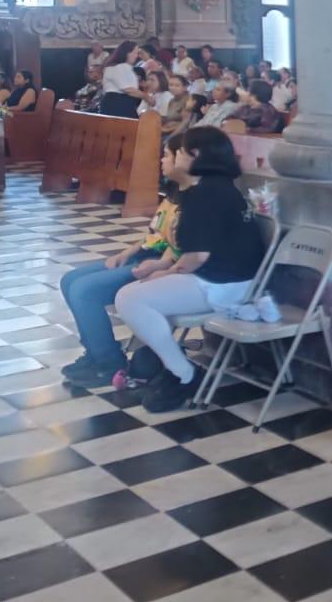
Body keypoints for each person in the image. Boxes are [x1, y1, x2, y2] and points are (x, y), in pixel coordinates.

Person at [113, 128, 269, 412]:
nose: (166, 159)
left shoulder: (206, 194)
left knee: (130, 299)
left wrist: (167, 273)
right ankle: (167, 366)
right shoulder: (214, 187)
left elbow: (197, 255)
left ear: (194, 155)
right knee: (133, 296)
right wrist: (165, 269)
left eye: (174, 153)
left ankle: (185, 375)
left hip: (224, 284)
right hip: (223, 278)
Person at [59, 134, 191, 386]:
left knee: (84, 291)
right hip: (148, 255)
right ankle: (94, 352)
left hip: (162, 264)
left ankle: (108, 362)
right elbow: (155, 233)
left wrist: (160, 265)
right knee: (69, 279)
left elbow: (180, 248)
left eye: (167, 155)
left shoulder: (194, 199)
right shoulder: (174, 192)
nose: (161, 160)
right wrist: (127, 252)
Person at [98, 40, 146, 118]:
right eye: (135, 53)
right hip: (118, 105)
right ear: (127, 53)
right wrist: (147, 97)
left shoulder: (115, 67)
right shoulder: (120, 67)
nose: (136, 56)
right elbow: (128, 89)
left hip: (114, 104)